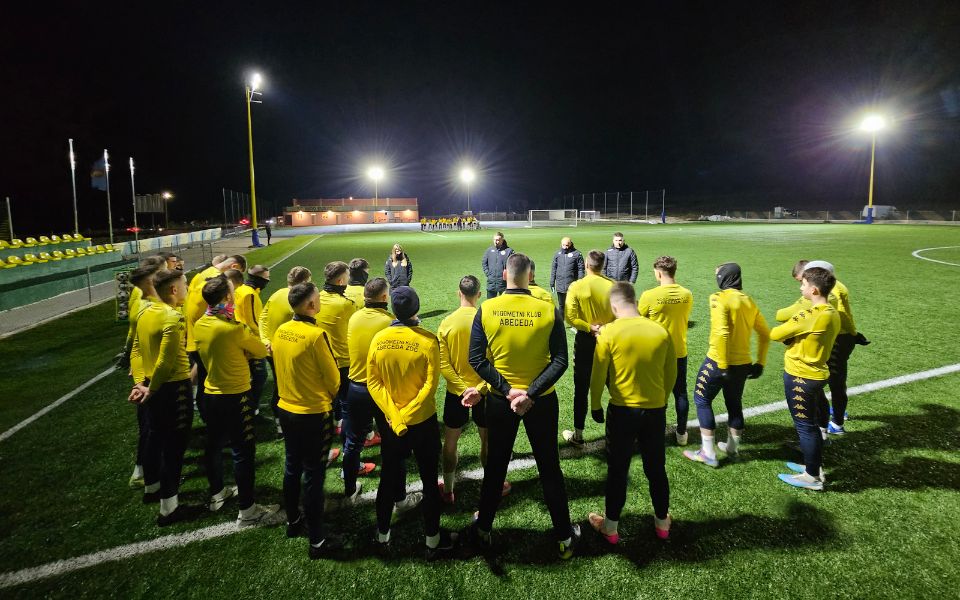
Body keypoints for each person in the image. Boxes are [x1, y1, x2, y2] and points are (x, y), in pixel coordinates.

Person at [468, 253, 580, 559]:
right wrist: (530, 393)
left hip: (500, 401)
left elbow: (476, 359)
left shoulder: (487, 308)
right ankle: (565, 538)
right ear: (530, 276)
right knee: (549, 467)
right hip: (541, 401)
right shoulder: (548, 309)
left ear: (505, 275)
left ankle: (483, 531)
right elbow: (560, 361)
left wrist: (508, 390)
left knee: (496, 467)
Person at [367, 286, 457, 559]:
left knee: (388, 478)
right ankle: (432, 541)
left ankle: (382, 537)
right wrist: (407, 415)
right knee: (429, 482)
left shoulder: (379, 339)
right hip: (422, 422)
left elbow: (373, 382)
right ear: (416, 309)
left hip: (392, 424)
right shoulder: (428, 340)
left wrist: (396, 417)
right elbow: (430, 386)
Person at [587, 282, 676, 543]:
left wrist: (595, 405)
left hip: (622, 411)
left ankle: (611, 527)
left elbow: (597, 376)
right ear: (635, 302)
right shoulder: (660, 331)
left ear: (614, 306)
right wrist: (662, 399)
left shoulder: (609, 333)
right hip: (655, 411)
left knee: (618, 470)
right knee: (656, 468)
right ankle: (662, 523)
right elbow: (671, 373)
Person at [194, 275, 278, 526]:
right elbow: (260, 350)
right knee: (243, 451)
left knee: (214, 445)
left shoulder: (201, 323)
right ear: (227, 297)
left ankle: (217, 492)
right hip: (235, 395)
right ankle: (247, 510)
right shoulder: (233, 329)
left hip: (211, 394)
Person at [271, 282, 344, 557]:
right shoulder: (316, 335)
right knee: (313, 474)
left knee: (292, 466)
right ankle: (317, 542)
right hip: (312, 413)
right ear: (311, 305)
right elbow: (333, 378)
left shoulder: (281, 330)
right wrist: (328, 398)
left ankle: (293, 521)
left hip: (286, 409)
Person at [344, 277, 422, 508]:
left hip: (356, 388)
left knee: (353, 442)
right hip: (381, 390)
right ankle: (399, 499)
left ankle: (349, 491)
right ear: (385, 297)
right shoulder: (389, 321)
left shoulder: (354, 317)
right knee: (392, 445)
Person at [683, 263, 769, 468]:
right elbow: (765, 334)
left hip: (717, 361)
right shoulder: (749, 301)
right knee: (734, 403)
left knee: (702, 399)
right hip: (743, 363)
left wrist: (722, 365)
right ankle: (732, 448)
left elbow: (721, 332)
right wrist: (760, 362)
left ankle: (708, 453)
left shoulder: (718, 298)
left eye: (717, 275)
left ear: (723, 277)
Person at [437, 275, 512, 504]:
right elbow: (494, 361)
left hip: (455, 393)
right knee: (487, 440)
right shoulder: (487, 321)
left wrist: (462, 390)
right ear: (478, 294)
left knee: (450, 442)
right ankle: (493, 487)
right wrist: (478, 389)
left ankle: (448, 490)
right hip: (484, 394)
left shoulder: (447, 323)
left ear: (459, 293)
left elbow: (443, 364)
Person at [128, 269, 194, 526]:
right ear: (174, 290)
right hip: (172, 388)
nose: (187, 288)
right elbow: (166, 361)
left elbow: (135, 350)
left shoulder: (145, 312)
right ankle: (169, 508)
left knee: (154, 437)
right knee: (174, 447)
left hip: (149, 384)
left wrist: (140, 383)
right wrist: (152, 388)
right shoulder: (173, 317)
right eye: (185, 285)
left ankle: (152, 488)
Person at [775, 260, 869, 435]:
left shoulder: (829, 295)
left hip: (837, 340)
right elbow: (845, 315)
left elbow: (783, 317)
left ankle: (835, 424)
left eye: (803, 281)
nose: (801, 286)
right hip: (841, 337)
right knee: (833, 382)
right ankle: (833, 419)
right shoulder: (836, 286)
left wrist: (852, 334)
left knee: (832, 382)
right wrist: (853, 333)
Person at [769, 266, 840, 491]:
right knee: (811, 425)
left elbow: (775, 333)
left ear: (815, 290)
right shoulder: (832, 312)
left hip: (801, 376)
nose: (801, 288)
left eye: (804, 284)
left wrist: (792, 332)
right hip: (817, 373)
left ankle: (812, 478)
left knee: (805, 427)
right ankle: (814, 467)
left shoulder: (810, 314)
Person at [638, 256, 694, 445]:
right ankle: (682, 434)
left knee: (654, 394)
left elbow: (638, 320)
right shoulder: (687, 294)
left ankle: (654, 431)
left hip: (656, 353)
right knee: (681, 393)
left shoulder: (649, 295)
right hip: (679, 352)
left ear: (659, 273)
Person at [562, 250, 615, 448]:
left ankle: (578, 435)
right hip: (609, 340)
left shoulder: (576, 286)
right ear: (603, 265)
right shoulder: (613, 285)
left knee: (581, 388)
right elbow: (621, 314)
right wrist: (604, 328)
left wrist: (589, 327)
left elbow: (570, 317)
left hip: (586, 341)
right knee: (614, 386)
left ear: (586, 264)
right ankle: (622, 432)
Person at [184, 255, 246, 419]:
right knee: (212, 381)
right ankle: (213, 418)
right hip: (206, 337)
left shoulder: (201, 276)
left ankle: (207, 414)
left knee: (204, 377)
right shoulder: (216, 284)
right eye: (232, 290)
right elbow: (221, 310)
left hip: (196, 335)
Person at [260, 266, 313, 437]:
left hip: (272, 349)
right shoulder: (297, 300)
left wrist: (265, 340)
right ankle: (288, 424)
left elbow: (263, 317)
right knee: (289, 388)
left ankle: (280, 424)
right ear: (304, 282)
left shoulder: (276, 294)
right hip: (287, 351)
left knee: (280, 385)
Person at [125, 263, 162, 489]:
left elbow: (135, 345)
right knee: (151, 428)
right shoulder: (148, 309)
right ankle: (147, 476)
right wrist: (143, 382)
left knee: (152, 427)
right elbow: (138, 347)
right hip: (154, 378)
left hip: (148, 377)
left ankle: (148, 475)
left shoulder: (149, 305)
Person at [316, 261, 358, 431]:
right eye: (347, 277)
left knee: (328, 397)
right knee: (347, 400)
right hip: (342, 360)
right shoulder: (346, 304)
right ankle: (348, 433)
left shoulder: (317, 298)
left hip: (321, 358)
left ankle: (335, 423)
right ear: (341, 281)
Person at [234, 265, 270, 415]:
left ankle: (247, 406)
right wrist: (262, 338)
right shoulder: (250, 294)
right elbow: (252, 321)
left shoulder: (241, 289)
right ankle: (251, 407)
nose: (268, 280)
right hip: (251, 340)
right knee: (260, 376)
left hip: (241, 336)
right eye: (266, 278)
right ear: (258, 278)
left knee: (250, 376)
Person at [549, 236, 584, 310]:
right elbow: (554, 269)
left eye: (567, 245)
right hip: (560, 285)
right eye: (563, 245)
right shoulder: (557, 254)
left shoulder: (577, 254)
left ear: (570, 244)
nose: (565, 247)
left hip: (572, 286)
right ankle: (561, 317)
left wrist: (580, 282)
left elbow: (581, 269)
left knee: (572, 306)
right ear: (561, 244)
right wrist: (552, 282)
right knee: (561, 306)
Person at [481, 232, 513, 298]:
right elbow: (484, 262)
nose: (496, 242)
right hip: (491, 283)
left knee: (504, 303)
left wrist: (507, 276)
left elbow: (513, 265)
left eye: (498, 240)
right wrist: (488, 274)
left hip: (503, 283)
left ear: (502, 240)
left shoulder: (509, 251)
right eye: (495, 240)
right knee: (490, 302)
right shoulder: (489, 251)